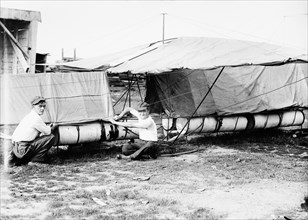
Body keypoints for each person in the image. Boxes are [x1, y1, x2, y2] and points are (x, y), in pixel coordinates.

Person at [10, 96, 59, 166]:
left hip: (16, 148)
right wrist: (53, 127)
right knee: (50, 137)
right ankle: (36, 161)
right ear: (33, 107)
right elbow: (48, 132)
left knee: (39, 138)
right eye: (40, 106)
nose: (42, 108)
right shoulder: (35, 118)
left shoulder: (29, 116)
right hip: (23, 149)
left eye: (44, 106)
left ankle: (16, 158)